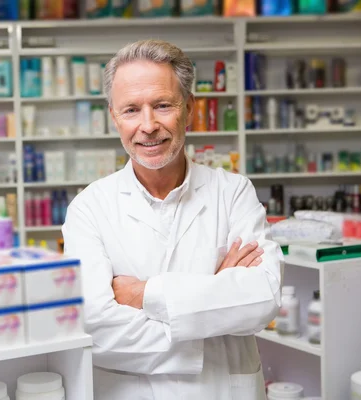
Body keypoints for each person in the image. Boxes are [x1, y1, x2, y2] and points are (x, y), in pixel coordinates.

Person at [61, 40, 282, 400]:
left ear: (190, 108)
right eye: (131, 110)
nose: (148, 126)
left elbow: (262, 299)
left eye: (162, 105)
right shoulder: (89, 208)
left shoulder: (233, 192)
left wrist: (141, 293)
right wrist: (214, 308)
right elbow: (95, 327)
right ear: (114, 116)